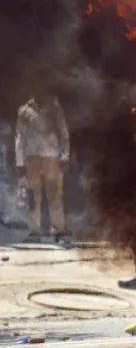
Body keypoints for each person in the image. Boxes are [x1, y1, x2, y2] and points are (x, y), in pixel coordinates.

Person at [16, 88, 71, 244]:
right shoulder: (24, 111)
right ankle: (34, 232)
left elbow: (64, 133)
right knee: (33, 197)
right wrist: (20, 162)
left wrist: (65, 156)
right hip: (32, 157)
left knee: (55, 196)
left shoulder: (55, 109)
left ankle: (59, 232)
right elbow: (20, 137)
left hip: (52, 157)